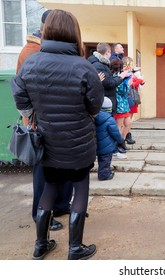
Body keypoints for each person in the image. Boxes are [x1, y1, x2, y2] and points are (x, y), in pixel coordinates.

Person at [11, 9, 105, 260]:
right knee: (80, 189)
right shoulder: (84, 67)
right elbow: (95, 106)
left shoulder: (31, 63)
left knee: (49, 189)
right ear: (74, 33)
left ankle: (41, 244)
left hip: (48, 143)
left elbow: (19, 96)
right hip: (79, 145)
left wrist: (33, 113)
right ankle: (75, 248)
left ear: (47, 30)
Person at [16, 9, 73, 231]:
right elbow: (21, 91)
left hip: (60, 121)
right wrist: (32, 116)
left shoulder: (49, 49)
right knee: (44, 172)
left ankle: (59, 205)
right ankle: (41, 214)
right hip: (43, 123)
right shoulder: (32, 51)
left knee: (62, 168)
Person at [88, 42, 131, 115]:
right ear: (107, 52)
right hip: (105, 102)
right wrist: (121, 77)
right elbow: (109, 83)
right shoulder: (98, 65)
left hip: (106, 100)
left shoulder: (102, 64)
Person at [96, 97, 126, 180]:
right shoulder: (109, 119)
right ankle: (104, 175)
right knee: (106, 161)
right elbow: (115, 133)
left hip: (96, 144)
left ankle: (103, 172)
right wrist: (121, 141)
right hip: (107, 146)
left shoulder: (94, 117)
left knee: (100, 159)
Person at [110, 58, 132, 154]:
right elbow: (123, 91)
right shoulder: (117, 76)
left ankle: (121, 142)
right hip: (119, 103)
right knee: (119, 125)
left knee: (128, 123)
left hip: (124, 103)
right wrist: (129, 84)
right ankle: (117, 145)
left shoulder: (120, 75)